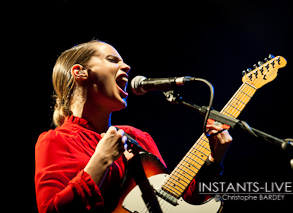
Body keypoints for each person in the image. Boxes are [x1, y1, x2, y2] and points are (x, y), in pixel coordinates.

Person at [34, 40, 233, 213]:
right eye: (112, 60)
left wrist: (214, 161)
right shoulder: (57, 139)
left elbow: (175, 201)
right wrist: (101, 159)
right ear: (80, 72)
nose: (127, 66)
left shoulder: (138, 137)